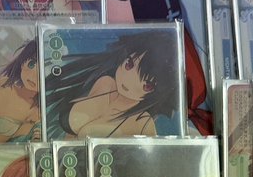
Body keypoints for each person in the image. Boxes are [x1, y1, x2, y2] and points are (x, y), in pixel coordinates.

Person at [45, 30, 179, 138]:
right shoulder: (105, 83)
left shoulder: (143, 123)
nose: (128, 80)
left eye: (147, 85)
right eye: (129, 64)